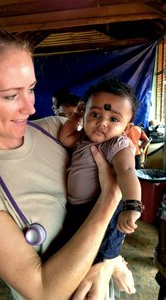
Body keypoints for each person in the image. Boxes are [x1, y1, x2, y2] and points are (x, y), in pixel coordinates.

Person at [0, 25, 123, 300]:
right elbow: (43, 290)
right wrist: (111, 197)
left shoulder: (58, 130)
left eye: (30, 89)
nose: (30, 107)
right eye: (11, 95)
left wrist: (109, 259)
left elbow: (124, 159)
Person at [59, 76, 144, 294]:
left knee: (98, 260)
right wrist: (76, 115)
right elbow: (65, 137)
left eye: (114, 119)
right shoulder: (82, 139)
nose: (102, 122)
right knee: (75, 257)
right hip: (78, 210)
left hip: (104, 211)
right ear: (84, 114)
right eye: (94, 114)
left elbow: (127, 172)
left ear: (127, 127)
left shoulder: (117, 144)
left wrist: (132, 205)